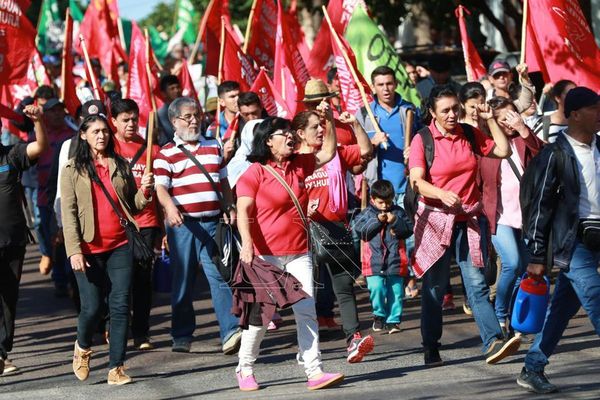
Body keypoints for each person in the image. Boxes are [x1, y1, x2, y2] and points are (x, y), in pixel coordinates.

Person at [408, 85, 518, 366]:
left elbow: (503, 150)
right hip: (435, 220)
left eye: (455, 108)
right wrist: (441, 193)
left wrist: (491, 119)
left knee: (477, 284)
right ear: (432, 112)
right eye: (445, 110)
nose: (452, 115)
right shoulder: (423, 139)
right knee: (434, 287)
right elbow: (417, 181)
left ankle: (493, 341)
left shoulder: (469, 134)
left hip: (469, 220)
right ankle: (431, 346)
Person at [235, 115, 344, 391]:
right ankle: (244, 368)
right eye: (282, 133)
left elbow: (329, 152)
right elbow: (243, 210)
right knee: (260, 318)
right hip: (265, 257)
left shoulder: (299, 165)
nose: (290, 137)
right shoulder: (254, 173)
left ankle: (314, 370)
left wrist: (329, 119)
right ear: (268, 141)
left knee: (306, 310)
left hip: (298, 253)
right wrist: (247, 243)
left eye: (289, 132)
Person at [516, 87, 600, 394]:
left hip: (597, 238)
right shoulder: (555, 154)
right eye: (595, 108)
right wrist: (536, 255)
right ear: (575, 115)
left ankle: (532, 368)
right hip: (571, 242)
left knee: (563, 307)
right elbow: (539, 207)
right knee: (595, 296)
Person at [61, 114, 154, 385]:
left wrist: (146, 191)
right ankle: (82, 347)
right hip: (88, 249)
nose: (101, 135)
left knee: (121, 305)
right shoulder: (71, 169)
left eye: (105, 131)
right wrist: (74, 251)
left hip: (120, 245)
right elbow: (69, 213)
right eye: (95, 131)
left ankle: (116, 368)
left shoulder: (120, 164)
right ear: (83, 135)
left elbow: (133, 205)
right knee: (91, 308)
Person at [153, 97, 241, 355]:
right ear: (174, 122)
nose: (194, 120)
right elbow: (161, 188)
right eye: (187, 117)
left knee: (219, 277)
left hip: (213, 223)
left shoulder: (214, 144)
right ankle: (181, 334)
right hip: (184, 228)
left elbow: (222, 180)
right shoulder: (165, 152)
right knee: (183, 281)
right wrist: (170, 209)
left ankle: (230, 332)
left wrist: (229, 205)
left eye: (197, 115)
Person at [295, 108, 374, 362]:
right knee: (307, 293)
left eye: (321, 125)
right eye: (314, 127)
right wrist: (303, 207)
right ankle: (307, 348)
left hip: (336, 229)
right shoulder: (295, 160)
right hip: (305, 233)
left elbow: (365, 151)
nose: (320, 130)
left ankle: (353, 339)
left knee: (344, 287)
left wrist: (356, 126)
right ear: (300, 133)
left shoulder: (335, 153)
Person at [480, 97, 544, 332]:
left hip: (527, 216)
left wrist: (523, 130)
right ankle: (499, 313)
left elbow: (544, 155)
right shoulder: (486, 146)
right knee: (512, 263)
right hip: (499, 216)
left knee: (524, 270)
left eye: (511, 116)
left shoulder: (522, 139)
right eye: (502, 119)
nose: (508, 122)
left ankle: (516, 319)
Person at [0, 105, 48, 375]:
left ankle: (2, 352)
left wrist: (38, 120)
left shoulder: (11, 155)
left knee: (8, 298)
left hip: (13, 241)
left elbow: (40, 146)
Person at [111, 99, 162, 350]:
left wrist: (163, 228)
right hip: (118, 223)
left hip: (147, 222)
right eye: (125, 120)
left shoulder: (150, 146)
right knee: (121, 280)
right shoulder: (108, 148)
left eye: (134, 119)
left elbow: (163, 189)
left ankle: (142, 333)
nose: (131, 124)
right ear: (114, 122)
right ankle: (114, 325)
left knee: (143, 279)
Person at [353, 180, 413, 333]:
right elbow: (362, 232)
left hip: (396, 259)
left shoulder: (398, 212)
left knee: (396, 292)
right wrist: (376, 221)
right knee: (376, 288)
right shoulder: (366, 214)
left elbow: (408, 231)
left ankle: (393, 320)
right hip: (373, 261)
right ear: (372, 198)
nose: (385, 206)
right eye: (381, 202)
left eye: (388, 202)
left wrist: (395, 221)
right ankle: (379, 315)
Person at [39, 99, 77, 297]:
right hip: (45, 198)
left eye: (59, 110)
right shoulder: (39, 137)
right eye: (51, 111)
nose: (56, 114)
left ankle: (67, 280)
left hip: (67, 198)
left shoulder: (72, 137)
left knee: (65, 238)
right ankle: (59, 277)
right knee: (53, 238)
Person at [157, 75, 183, 145]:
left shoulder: (189, 110)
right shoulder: (159, 115)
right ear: (164, 93)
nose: (176, 90)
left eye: (178, 87)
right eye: (172, 88)